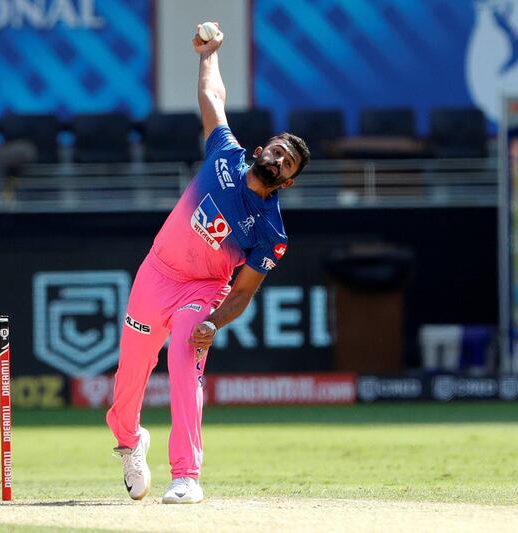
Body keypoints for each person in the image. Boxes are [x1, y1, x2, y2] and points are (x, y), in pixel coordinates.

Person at [105, 23, 310, 504]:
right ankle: (131, 442)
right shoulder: (225, 155)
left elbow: (241, 293)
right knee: (128, 381)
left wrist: (213, 323)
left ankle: (186, 476)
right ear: (262, 150)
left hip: (202, 291)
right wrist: (209, 53)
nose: (279, 161)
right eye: (277, 151)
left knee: (183, 360)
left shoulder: (271, 232)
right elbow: (213, 96)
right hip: (156, 274)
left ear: (288, 182)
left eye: (287, 165)